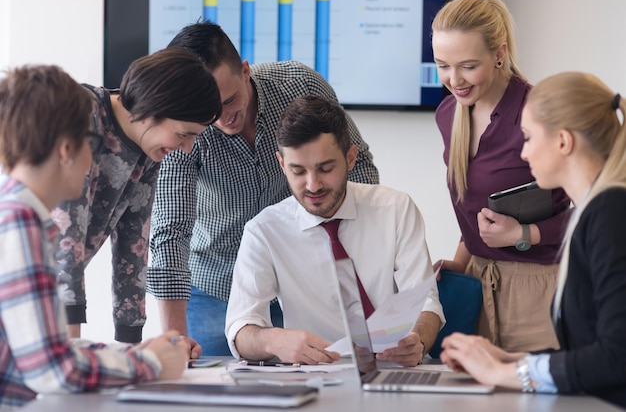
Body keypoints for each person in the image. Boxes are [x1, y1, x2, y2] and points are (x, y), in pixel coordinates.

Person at [148, 21, 379, 355]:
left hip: (305, 283)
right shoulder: (184, 125)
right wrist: (174, 340)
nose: (222, 118)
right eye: (208, 111)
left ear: (245, 71)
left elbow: (358, 171)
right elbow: (170, 230)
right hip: (217, 285)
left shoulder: (300, 85)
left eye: (229, 101)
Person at [0, 65, 189, 408]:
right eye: (93, 144)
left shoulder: (18, 217)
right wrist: (150, 364)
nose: (94, 160)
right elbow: (53, 372)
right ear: (65, 149)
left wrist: (131, 353)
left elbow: (47, 349)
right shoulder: (19, 224)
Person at [440, 71, 626, 408]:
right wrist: (507, 359)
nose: (523, 154)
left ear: (563, 142)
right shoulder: (596, 210)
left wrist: (505, 374)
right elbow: (587, 350)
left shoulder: (610, 211)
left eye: (528, 137)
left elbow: (617, 356)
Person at [225, 95, 443, 366]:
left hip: (398, 369)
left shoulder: (396, 209)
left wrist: (418, 340)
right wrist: (274, 340)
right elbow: (239, 327)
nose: (313, 185)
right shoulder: (264, 231)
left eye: (325, 169)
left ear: (351, 158)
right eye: (298, 171)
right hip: (318, 374)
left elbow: (427, 303)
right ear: (282, 164)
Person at [51, 47, 222, 350]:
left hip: (45, 293)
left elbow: (134, 246)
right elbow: (66, 244)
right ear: (153, 109)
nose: (186, 148)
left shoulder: (150, 150)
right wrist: (69, 354)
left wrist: (133, 348)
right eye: (184, 134)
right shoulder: (83, 115)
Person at [431, 0, 571, 352]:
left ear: (499, 54)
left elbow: (593, 209)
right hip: (479, 285)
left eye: (467, 65)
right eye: (442, 65)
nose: (454, 79)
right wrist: (461, 261)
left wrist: (525, 232)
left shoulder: (539, 112)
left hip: (540, 288)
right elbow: (476, 206)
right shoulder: (448, 114)